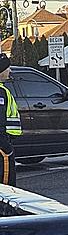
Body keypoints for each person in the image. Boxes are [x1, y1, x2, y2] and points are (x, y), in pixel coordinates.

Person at [0, 55, 22, 186]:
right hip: (2, 147)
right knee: (7, 187)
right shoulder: (1, 92)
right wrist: (5, 146)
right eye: (7, 68)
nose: (10, 71)